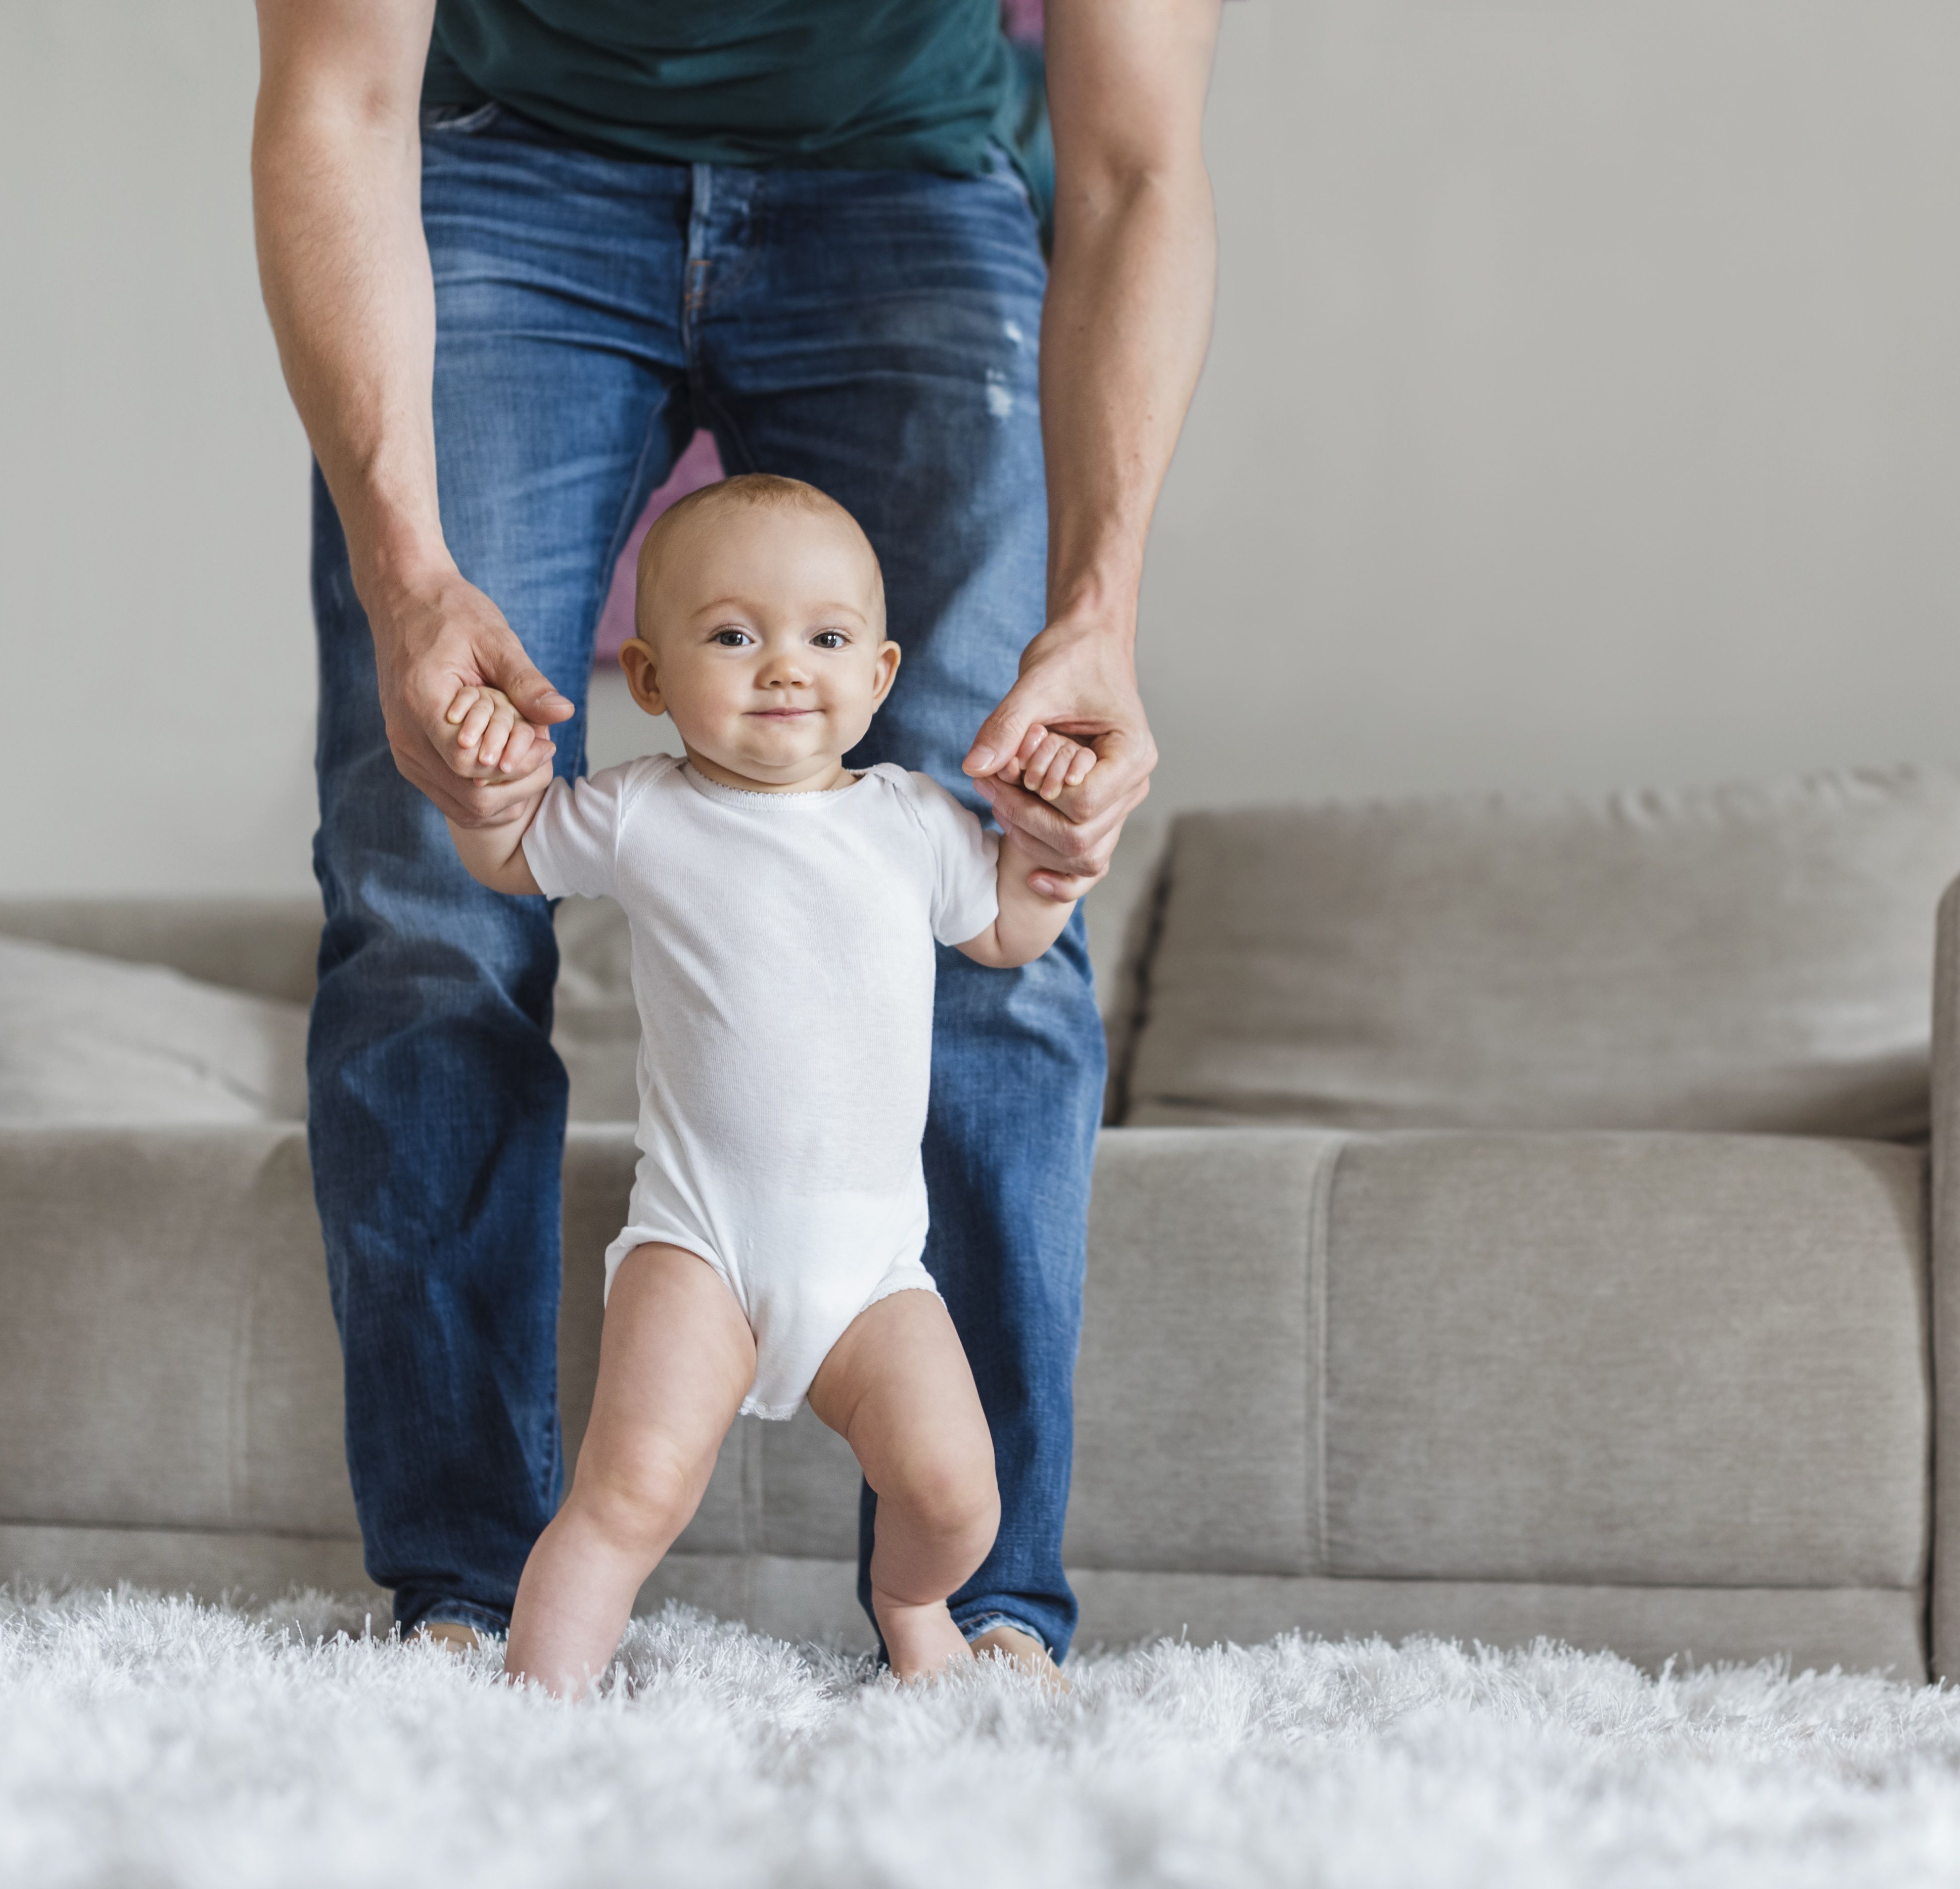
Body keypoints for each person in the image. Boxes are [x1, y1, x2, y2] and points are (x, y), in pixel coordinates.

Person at [249, 0, 1218, 1676]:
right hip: (505, 170)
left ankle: (985, 1620)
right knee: (425, 899)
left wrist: (1100, 612)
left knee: (1009, 859)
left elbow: (1135, 166)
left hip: (912, 179)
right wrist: (412, 575)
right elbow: (335, 101)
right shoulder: (628, 808)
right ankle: (467, 1608)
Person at [443, 476, 1086, 1696]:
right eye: (734, 636)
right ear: (648, 679)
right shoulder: (641, 810)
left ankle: (910, 1605)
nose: (784, 667)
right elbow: (511, 855)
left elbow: (1004, 930)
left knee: (957, 1494)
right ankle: (533, 1711)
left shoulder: (913, 821)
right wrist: (486, 778)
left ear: (882, 675)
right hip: (701, 1249)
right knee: (628, 1494)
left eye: (827, 639)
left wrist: (1052, 858)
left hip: (872, 1271)